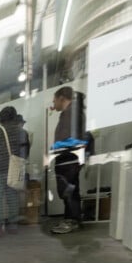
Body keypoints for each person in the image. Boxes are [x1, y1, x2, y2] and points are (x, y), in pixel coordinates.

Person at [50, 86, 90, 234]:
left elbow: (69, 139)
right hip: (70, 158)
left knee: (68, 190)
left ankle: (72, 220)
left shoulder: (71, 113)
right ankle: (72, 219)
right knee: (70, 190)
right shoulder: (73, 112)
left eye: (54, 100)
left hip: (68, 158)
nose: (54, 103)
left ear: (62, 98)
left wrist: (55, 149)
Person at [0, 106, 30, 236]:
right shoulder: (22, 132)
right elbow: (25, 153)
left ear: (1, 119)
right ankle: (13, 226)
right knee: (13, 197)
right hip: (15, 170)